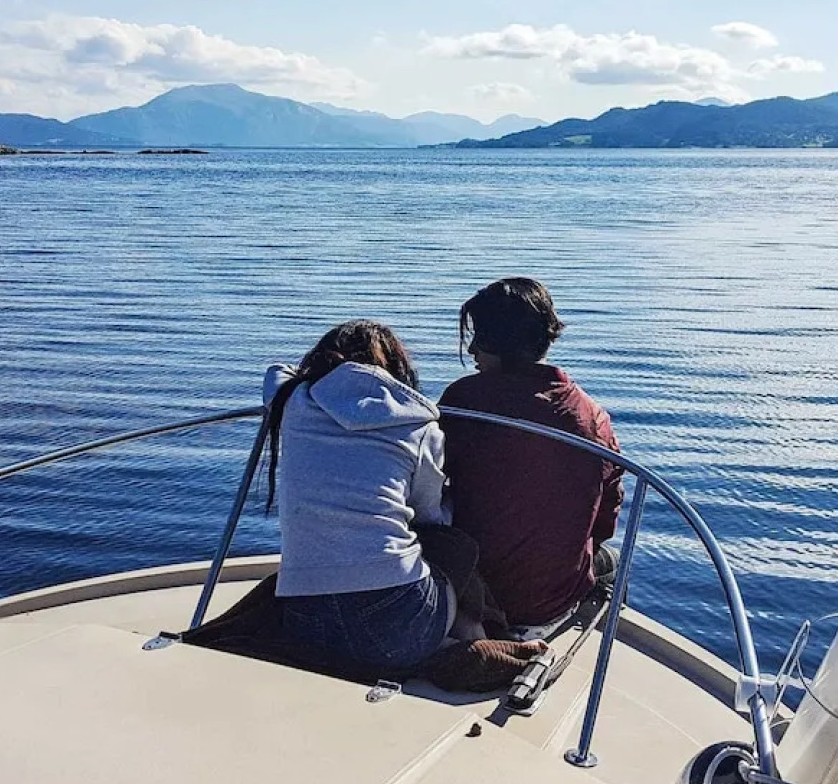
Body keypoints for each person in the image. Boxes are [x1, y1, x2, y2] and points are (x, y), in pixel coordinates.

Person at [264, 319, 454, 674]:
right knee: (455, 551)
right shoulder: (421, 427)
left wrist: (322, 374)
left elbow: (275, 370)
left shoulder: (293, 402)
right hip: (396, 620)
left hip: (305, 623)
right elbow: (431, 516)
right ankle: (471, 635)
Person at [439, 278, 624, 640]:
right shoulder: (593, 417)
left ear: (502, 341)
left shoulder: (463, 402)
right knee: (611, 562)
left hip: (473, 592)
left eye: (480, 337)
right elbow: (604, 523)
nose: (472, 350)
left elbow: (424, 484)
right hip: (551, 601)